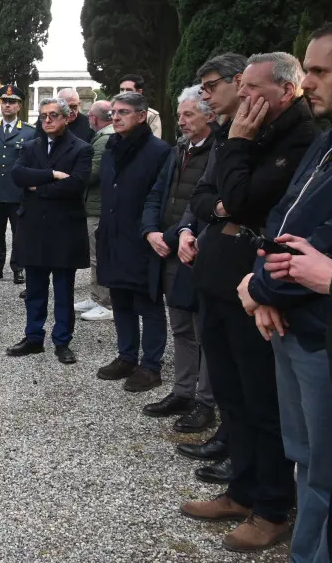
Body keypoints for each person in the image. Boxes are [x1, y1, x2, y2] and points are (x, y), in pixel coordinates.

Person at [241, 23, 332, 563]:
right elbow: (280, 221)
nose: (308, 83)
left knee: (327, 470)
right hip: (286, 319)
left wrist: (259, 285)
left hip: (324, 329)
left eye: (321, 71)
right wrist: (260, 286)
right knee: (303, 456)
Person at [180, 52, 317, 553]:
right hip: (220, 274)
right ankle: (242, 489)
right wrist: (224, 200)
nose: (246, 94)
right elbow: (206, 195)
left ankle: (273, 507)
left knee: (262, 401)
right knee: (233, 396)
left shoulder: (299, 137)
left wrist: (234, 162)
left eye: (254, 86)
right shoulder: (237, 135)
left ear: (288, 90)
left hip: (256, 284)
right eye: (243, 85)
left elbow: (238, 200)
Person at [173, 53, 248, 475]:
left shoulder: (246, 136)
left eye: (210, 87)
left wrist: (217, 209)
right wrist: (186, 230)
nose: (206, 96)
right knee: (209, 344)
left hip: (235, 263)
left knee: (239, 365)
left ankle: (243, 452)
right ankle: (226, 436)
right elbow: (199, 197)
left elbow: (240, 200)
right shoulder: (222, 137)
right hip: (203, 249)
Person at [139, 88, 218, 432]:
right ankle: (183, 391)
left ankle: (206, 400)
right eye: (181, 115)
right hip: (168, 248)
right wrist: (150, 231)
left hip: (195, 250)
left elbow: (201, 204)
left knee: (206, 331)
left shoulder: (218, 151)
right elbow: (157, 193)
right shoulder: (178, 151)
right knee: (182, 326)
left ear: (209, 116)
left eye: (188, 115)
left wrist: (170, 238)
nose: (181, 121)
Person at [95, 91, 171, 392]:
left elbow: (159, 199)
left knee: (148, 304)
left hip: (141, 239)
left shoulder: (158, 151)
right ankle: (126, 355)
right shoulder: (112, 147)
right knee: (121, 301)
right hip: (113, 237)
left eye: (123, 112)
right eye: (114, 112)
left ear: (142, 116)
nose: (115, 117)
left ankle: (151, 366)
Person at [8, 97, 92, 364]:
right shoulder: (31, 145)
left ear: (66, 117)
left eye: (53, 115)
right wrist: (52, 174)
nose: (47, 120)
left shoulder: (81, 148)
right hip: (33, 226)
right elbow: (18, 175)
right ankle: (33, 336)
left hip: (64, 228)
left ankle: (62, 340)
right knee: (34, 288)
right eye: (43, 115)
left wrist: (38, 186)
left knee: (63, 289)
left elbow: (76, 184)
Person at [0, 84, 36, 285]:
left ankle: (18, 267)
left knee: (19, 233)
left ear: (19, 106)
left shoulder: (30, 132)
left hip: (18, 192)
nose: (7, 105)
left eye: (12, 102)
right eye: (4, 101)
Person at [76, 101, 114, 321]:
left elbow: (92, 173)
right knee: (94, 256)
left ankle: (105, 302)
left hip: (98, 207)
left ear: (94, 118)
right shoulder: (102, 138)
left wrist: (73, 171)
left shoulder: (104, 140)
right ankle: (95, 296)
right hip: (94, 205)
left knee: (99, 256)